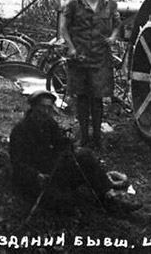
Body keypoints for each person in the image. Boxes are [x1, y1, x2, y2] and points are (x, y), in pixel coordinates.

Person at [10, 90, 141, 215]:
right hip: (36, 177)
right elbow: (17, 164)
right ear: (33, 107)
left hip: (53, 169)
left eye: (48, 108)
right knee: (64, 203)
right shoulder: (21, 130)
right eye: (41, 107)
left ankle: (109, 197)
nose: (45, 112)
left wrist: (67, 144)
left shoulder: (49, 123)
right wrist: (36, 175)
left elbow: (60, 144)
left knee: (85, 155)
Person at [61, 0, 121, 149]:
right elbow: (64, 28)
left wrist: (113, 37)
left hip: (100, 57)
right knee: (81, 97)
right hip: (79, 56)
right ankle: (84, 137)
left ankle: (97, 137)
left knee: (97, 98)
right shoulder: (74, 3)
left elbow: (118, 25)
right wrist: (71, 47)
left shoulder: (110, 3)